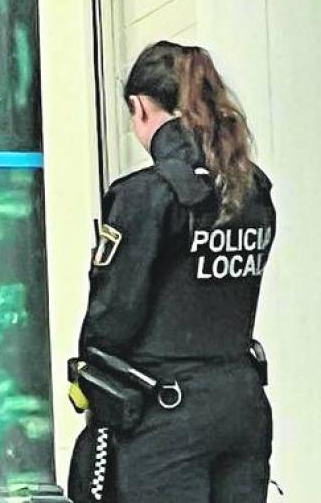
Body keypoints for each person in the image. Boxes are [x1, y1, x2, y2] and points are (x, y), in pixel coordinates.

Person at [67, 41, 275, 503]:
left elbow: (112, 316)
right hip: (242, 403)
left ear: (140, 108)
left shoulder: (146, 195)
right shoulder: (253, 189)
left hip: (166, 415)